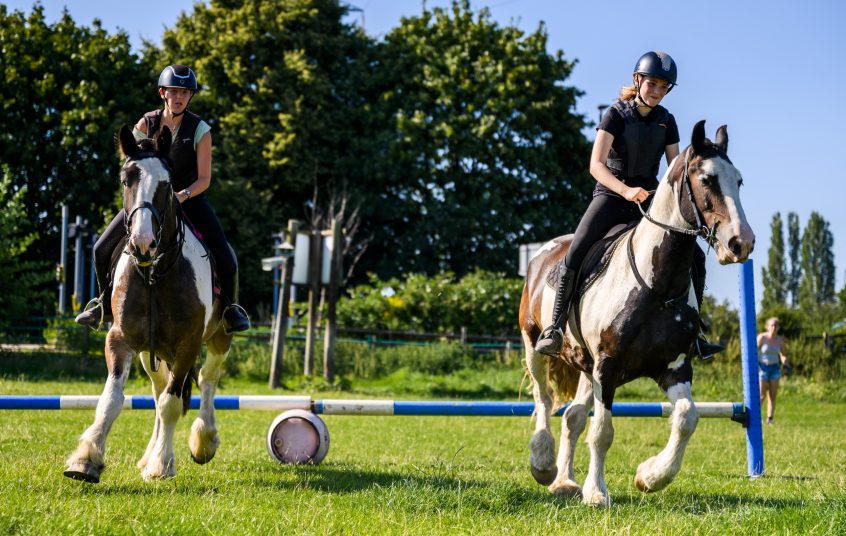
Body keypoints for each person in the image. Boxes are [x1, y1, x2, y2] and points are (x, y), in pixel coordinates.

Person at [535, 51, 722, 360]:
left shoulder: (667, 121)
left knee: (696, 256)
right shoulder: (615, 115)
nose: (658, 92)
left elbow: (674, 169)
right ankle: (554, 328)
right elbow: (596, 165)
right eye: (653, 84)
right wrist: (625, 190)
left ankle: (695, 332)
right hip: (610, 197)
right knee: (576, 251)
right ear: (638, 81)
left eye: (664, 87)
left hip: (649, 202)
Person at [75, 64, 250, 334]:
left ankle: (230, 309)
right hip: (148, 201)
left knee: (226, 256)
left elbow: (205, 179)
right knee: (100, 248)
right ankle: (103, 304)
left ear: (190, 96)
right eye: (173, 91)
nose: (179, 97)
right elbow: (132, 164)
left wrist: (182, 195)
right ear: (162, 93)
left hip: (188, 198)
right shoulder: (145, 123)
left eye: (184, 92)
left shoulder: (201, 130)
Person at [757, 317, 790, 424]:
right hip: (762, 368)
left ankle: (770, 419)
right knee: (762, 395)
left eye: (776, 325)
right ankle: (755, 417)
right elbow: (754, 352)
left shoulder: (780, 341)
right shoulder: (762, 338)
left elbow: (783, 354)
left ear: (778, 327)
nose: (774, 327)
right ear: (767, 326)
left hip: (775, 368)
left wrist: (785, 363)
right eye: (772, 325)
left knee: (772, 395)